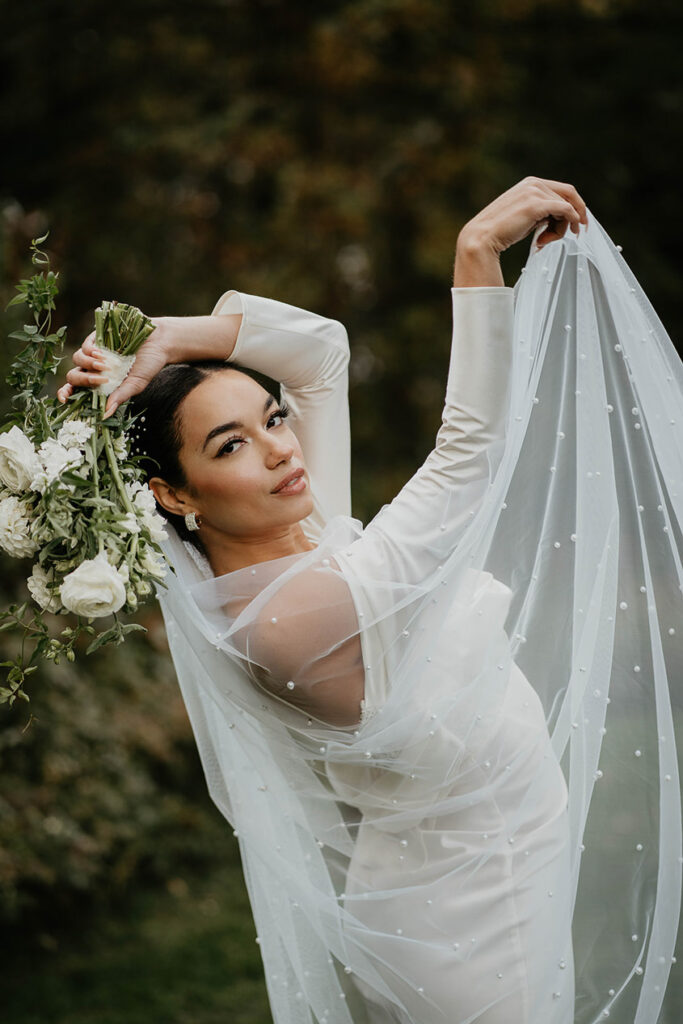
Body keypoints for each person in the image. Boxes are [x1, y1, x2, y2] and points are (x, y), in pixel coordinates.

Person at [57, 177, 682, 1024]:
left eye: (271, 417)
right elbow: (468, 456)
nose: (282, 448)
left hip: (453, 871)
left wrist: (167, 340)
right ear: (174, 496)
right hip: (470, 918)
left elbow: (319, 352)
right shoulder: (287, 617)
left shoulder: (299, 541)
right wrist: (474, 254)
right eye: (231, 443)